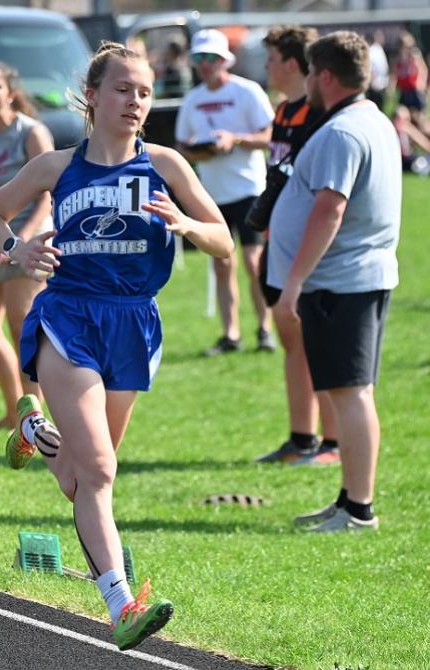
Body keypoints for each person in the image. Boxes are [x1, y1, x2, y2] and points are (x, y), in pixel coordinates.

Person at [0, 41, 233, 651]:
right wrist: (15, 248)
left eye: (144, 92)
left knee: (79, 479)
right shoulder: (58, 167)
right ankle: (120, 604)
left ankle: (35, 432)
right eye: (123, 90)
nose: (136, 102)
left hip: (134, 324)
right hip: (69, 318)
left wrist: (189, 226)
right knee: (98, 470)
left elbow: (223, 238)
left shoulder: (166, 165)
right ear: (93, 96)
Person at [270, 31, 401, 532]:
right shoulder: (370, 120)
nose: (305, 82)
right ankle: (349, 499)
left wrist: (294, 282)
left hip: (341, 281)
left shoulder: (343, 131)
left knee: (351, 394)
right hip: (355, 277)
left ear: (324, 76)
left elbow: (330, 209)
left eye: (309, 72)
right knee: (350, 392)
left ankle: (359, 509)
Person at [254, 26, 340, 466]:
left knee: (316, 343)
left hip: (307, 246)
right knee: (293, 342)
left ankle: (332, 442)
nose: (266, 67)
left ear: (292, 63)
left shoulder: (320, 113)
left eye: (271, 59)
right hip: (277, 240)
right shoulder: (285, 110)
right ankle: (301, 437)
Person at [175, 28, 276, 355]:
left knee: (253, 261)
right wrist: (201, 151)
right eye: (199, 58)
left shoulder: (248, 91)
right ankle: (230, 333)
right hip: (212, 194)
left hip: (249, 188)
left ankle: (264, 329)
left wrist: (235, 140)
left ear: (224, 60)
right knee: (222, 264)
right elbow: (182, 146)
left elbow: (271, 135)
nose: (205, 64)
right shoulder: (193, 99)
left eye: (211, 58)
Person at [0, 61, 54, 429]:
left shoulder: (30, 132)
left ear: (10, 93)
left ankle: (36, 414)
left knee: (23, 326)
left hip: (27, 239)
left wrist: (22, 240)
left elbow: (48, 194)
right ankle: (13, 408)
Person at [392, 33, 428, 134]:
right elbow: (395, 73)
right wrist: (393, 86)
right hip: (405, 90)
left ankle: (424, 140)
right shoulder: (399, 59)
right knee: (403, 115)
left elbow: (422, 69)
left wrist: (421, 83)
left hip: (415, 90)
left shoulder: (414, 55)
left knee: (420, 117)